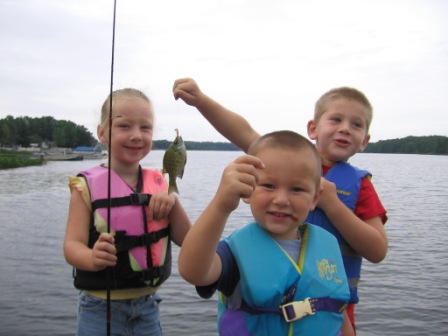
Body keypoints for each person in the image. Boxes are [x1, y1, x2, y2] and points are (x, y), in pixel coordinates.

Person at [173, 78, 388, 332]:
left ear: (365, 141)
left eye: (356, 124)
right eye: (335, 119)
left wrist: (333, 205)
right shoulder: (283, 155)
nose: (345, 129)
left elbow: (377, 250)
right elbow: (243, 132)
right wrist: (201, 101)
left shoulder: (359, 185)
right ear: (313, 128)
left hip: (328, 294)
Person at [178, 130, 354, 336]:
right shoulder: (234, 254)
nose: (281, 199)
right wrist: (221, 205)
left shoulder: (327, 246)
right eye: (268, 186)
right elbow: (193, 271)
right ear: (248, 190)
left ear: (315, 198)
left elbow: (336, 311)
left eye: (297, 189)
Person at [63, 88, 191, 336]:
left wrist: (172, 203)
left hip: (149, 308)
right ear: (102, 132)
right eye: (124, 126)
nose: (136, 135)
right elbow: (71, 246)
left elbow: (189, 240)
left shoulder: (160, 183)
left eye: (145, 128)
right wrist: (91, 258)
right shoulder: (85, 186)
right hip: (99, 309)